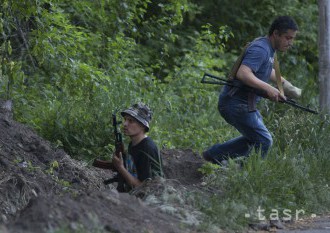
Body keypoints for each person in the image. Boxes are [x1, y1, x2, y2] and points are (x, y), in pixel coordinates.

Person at [203, 16, 301, 165]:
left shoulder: (269, 49)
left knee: (256, 139)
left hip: (245, 104)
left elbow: (266, 70)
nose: (290, 43)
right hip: (235, 103)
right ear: (276, 34)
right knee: (264, 140)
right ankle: (243, 173)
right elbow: (243, 73)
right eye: (287, 38)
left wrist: (286, 86)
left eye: (292, 39)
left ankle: (214, 155)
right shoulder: (261, 49)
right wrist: (269, 88)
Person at [111, 102, 163, 190]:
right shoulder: (133, 144)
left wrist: (120, 168)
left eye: (131, 121)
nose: (125, 124)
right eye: (125, 119)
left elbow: (143, 188)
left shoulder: (147, 149)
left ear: (142, 125)